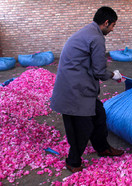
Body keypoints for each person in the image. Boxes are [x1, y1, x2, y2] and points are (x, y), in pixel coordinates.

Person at [50, 6, 124, 173]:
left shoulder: (87, 31)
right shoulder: (96, 38)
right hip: (75, 90)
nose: (112, 29)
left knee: (99, 114)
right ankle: (73, 162)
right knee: (81, 128)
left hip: (73, 85)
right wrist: (114, 75)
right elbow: (99, 71)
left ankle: (102, 147)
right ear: (106, 22)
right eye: (113, 26)